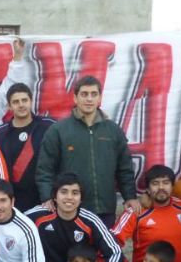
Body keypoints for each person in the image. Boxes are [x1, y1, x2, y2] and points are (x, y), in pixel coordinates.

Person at [35, 75, 139, 227]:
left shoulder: (113, 130)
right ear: (75, 98)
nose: (89, 99)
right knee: (74, 252)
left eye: (93, 94)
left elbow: (125, 168)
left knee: (103, 251)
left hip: (105, 210)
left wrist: (130, 196)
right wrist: (47, 197)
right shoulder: (58, 130)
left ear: (99, 98)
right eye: (84, 94)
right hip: (70, 210)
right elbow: (44, 170)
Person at [112, 165, 181, 262]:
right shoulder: (136, 210)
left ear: (172, 186)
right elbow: (111, 243)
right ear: (147, 189)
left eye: (166, 183)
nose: (161, 187)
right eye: (155, 183)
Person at [0, 83, 56, 211]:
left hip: (45, 202)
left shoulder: (50, 127)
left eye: (24, 100)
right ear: (9, 106)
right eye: (16, 102)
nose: (21, 105)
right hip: (11, 205)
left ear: (31, 101)